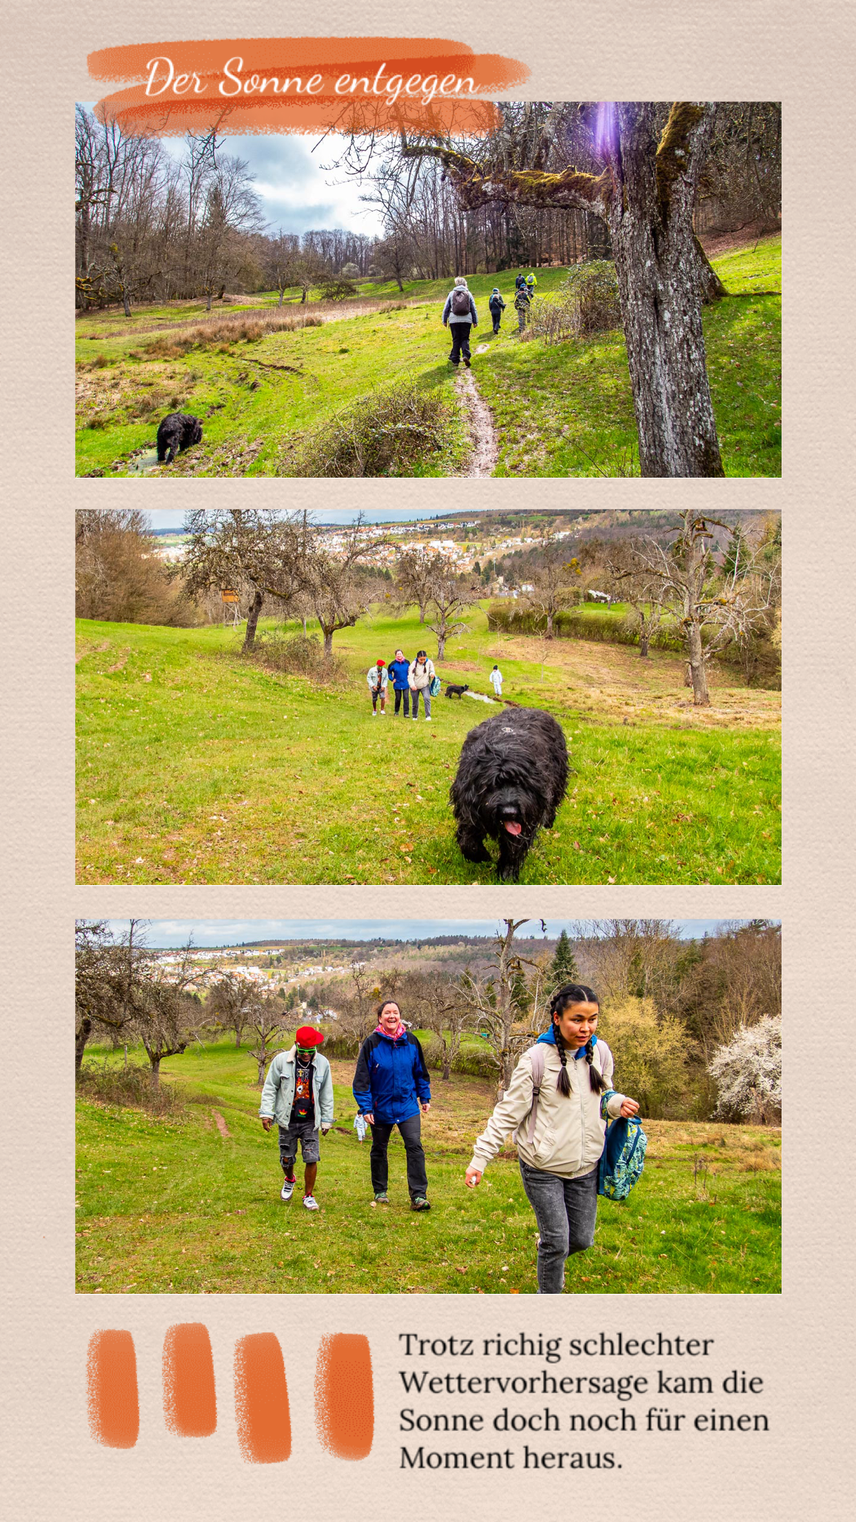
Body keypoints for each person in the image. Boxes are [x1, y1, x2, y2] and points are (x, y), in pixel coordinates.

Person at [464, 984, 640, 1293]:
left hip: (586, 1166)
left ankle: (550, 1248)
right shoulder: (536, 1061)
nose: (586, 1027)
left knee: (582, 1240)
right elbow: (507, 1114)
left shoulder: (600, 1052)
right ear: (557, 1018)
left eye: (593, 1019)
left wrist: (616, 1104)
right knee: (558, 1241)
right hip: (542, 1168)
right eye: (577, 1019)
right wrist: (480, 1159)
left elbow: (603, 1094)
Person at [353, 999, 432, 1210]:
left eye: (395, 1012)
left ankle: (419, 1196)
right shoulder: (372, 1043)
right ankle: (380, 1191)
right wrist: (366, 1107)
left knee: (414, 1146)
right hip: (380, 1108)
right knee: (379, 1148)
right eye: (387, 1012)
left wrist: (424, 1097)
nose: (391, 1016)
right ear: (380, 1018)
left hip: (407, 1106)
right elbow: (362, 1079)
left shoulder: (412, 1041)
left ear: (400, 1016)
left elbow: (420, 1072)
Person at [260, 1025, 334, 1213]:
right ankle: (289, 1179)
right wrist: (267, 1114)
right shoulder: (280, 1062)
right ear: (296, 1045)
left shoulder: (323, 1064)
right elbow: (270, 1088)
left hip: (310, 1120)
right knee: (287, 1158)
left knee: (311, 1157)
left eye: (311, 1051)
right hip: (287, 1119)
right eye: (303, 1051)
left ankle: (308, 1195)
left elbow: (326, 1093)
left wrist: (326, 1120)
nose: (307, 1055)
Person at [442, 276, 478, 369]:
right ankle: (466, 355)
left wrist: (444, 320)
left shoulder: (451, 293)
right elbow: (473, 308)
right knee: (465, 338)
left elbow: (446, 308)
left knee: (456, 339)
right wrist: (475, 321)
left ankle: (455, 359)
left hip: (454, 320)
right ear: (465, 283)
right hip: (466, 319)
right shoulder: (468, 293)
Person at [408, 649, 436, 721]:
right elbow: (410, 676)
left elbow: (432, 670)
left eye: (424, 659)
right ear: (417, 658)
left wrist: (432, 674)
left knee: (427, 699)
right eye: (421, 659)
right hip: (415, 685)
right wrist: (412, 685)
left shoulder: (429, 662)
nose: (422, 661)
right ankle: (414, 716)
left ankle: (428, 716)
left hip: (425, 684)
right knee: (415, 701)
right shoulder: (413, 664)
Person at [387, 649, 411, 717]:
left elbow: (411, 671)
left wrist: (410, 678)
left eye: (400, 654)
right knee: (398, 698)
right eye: (398, 654)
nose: (399, 655)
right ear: (396, 655)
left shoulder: (407, 662)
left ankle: (406, 713)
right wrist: (392, 679)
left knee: (406, 698)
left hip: (406, 683)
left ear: (402, 654)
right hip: (397, 683)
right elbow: (389, 672)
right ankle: (396, 711)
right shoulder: (393, 663)